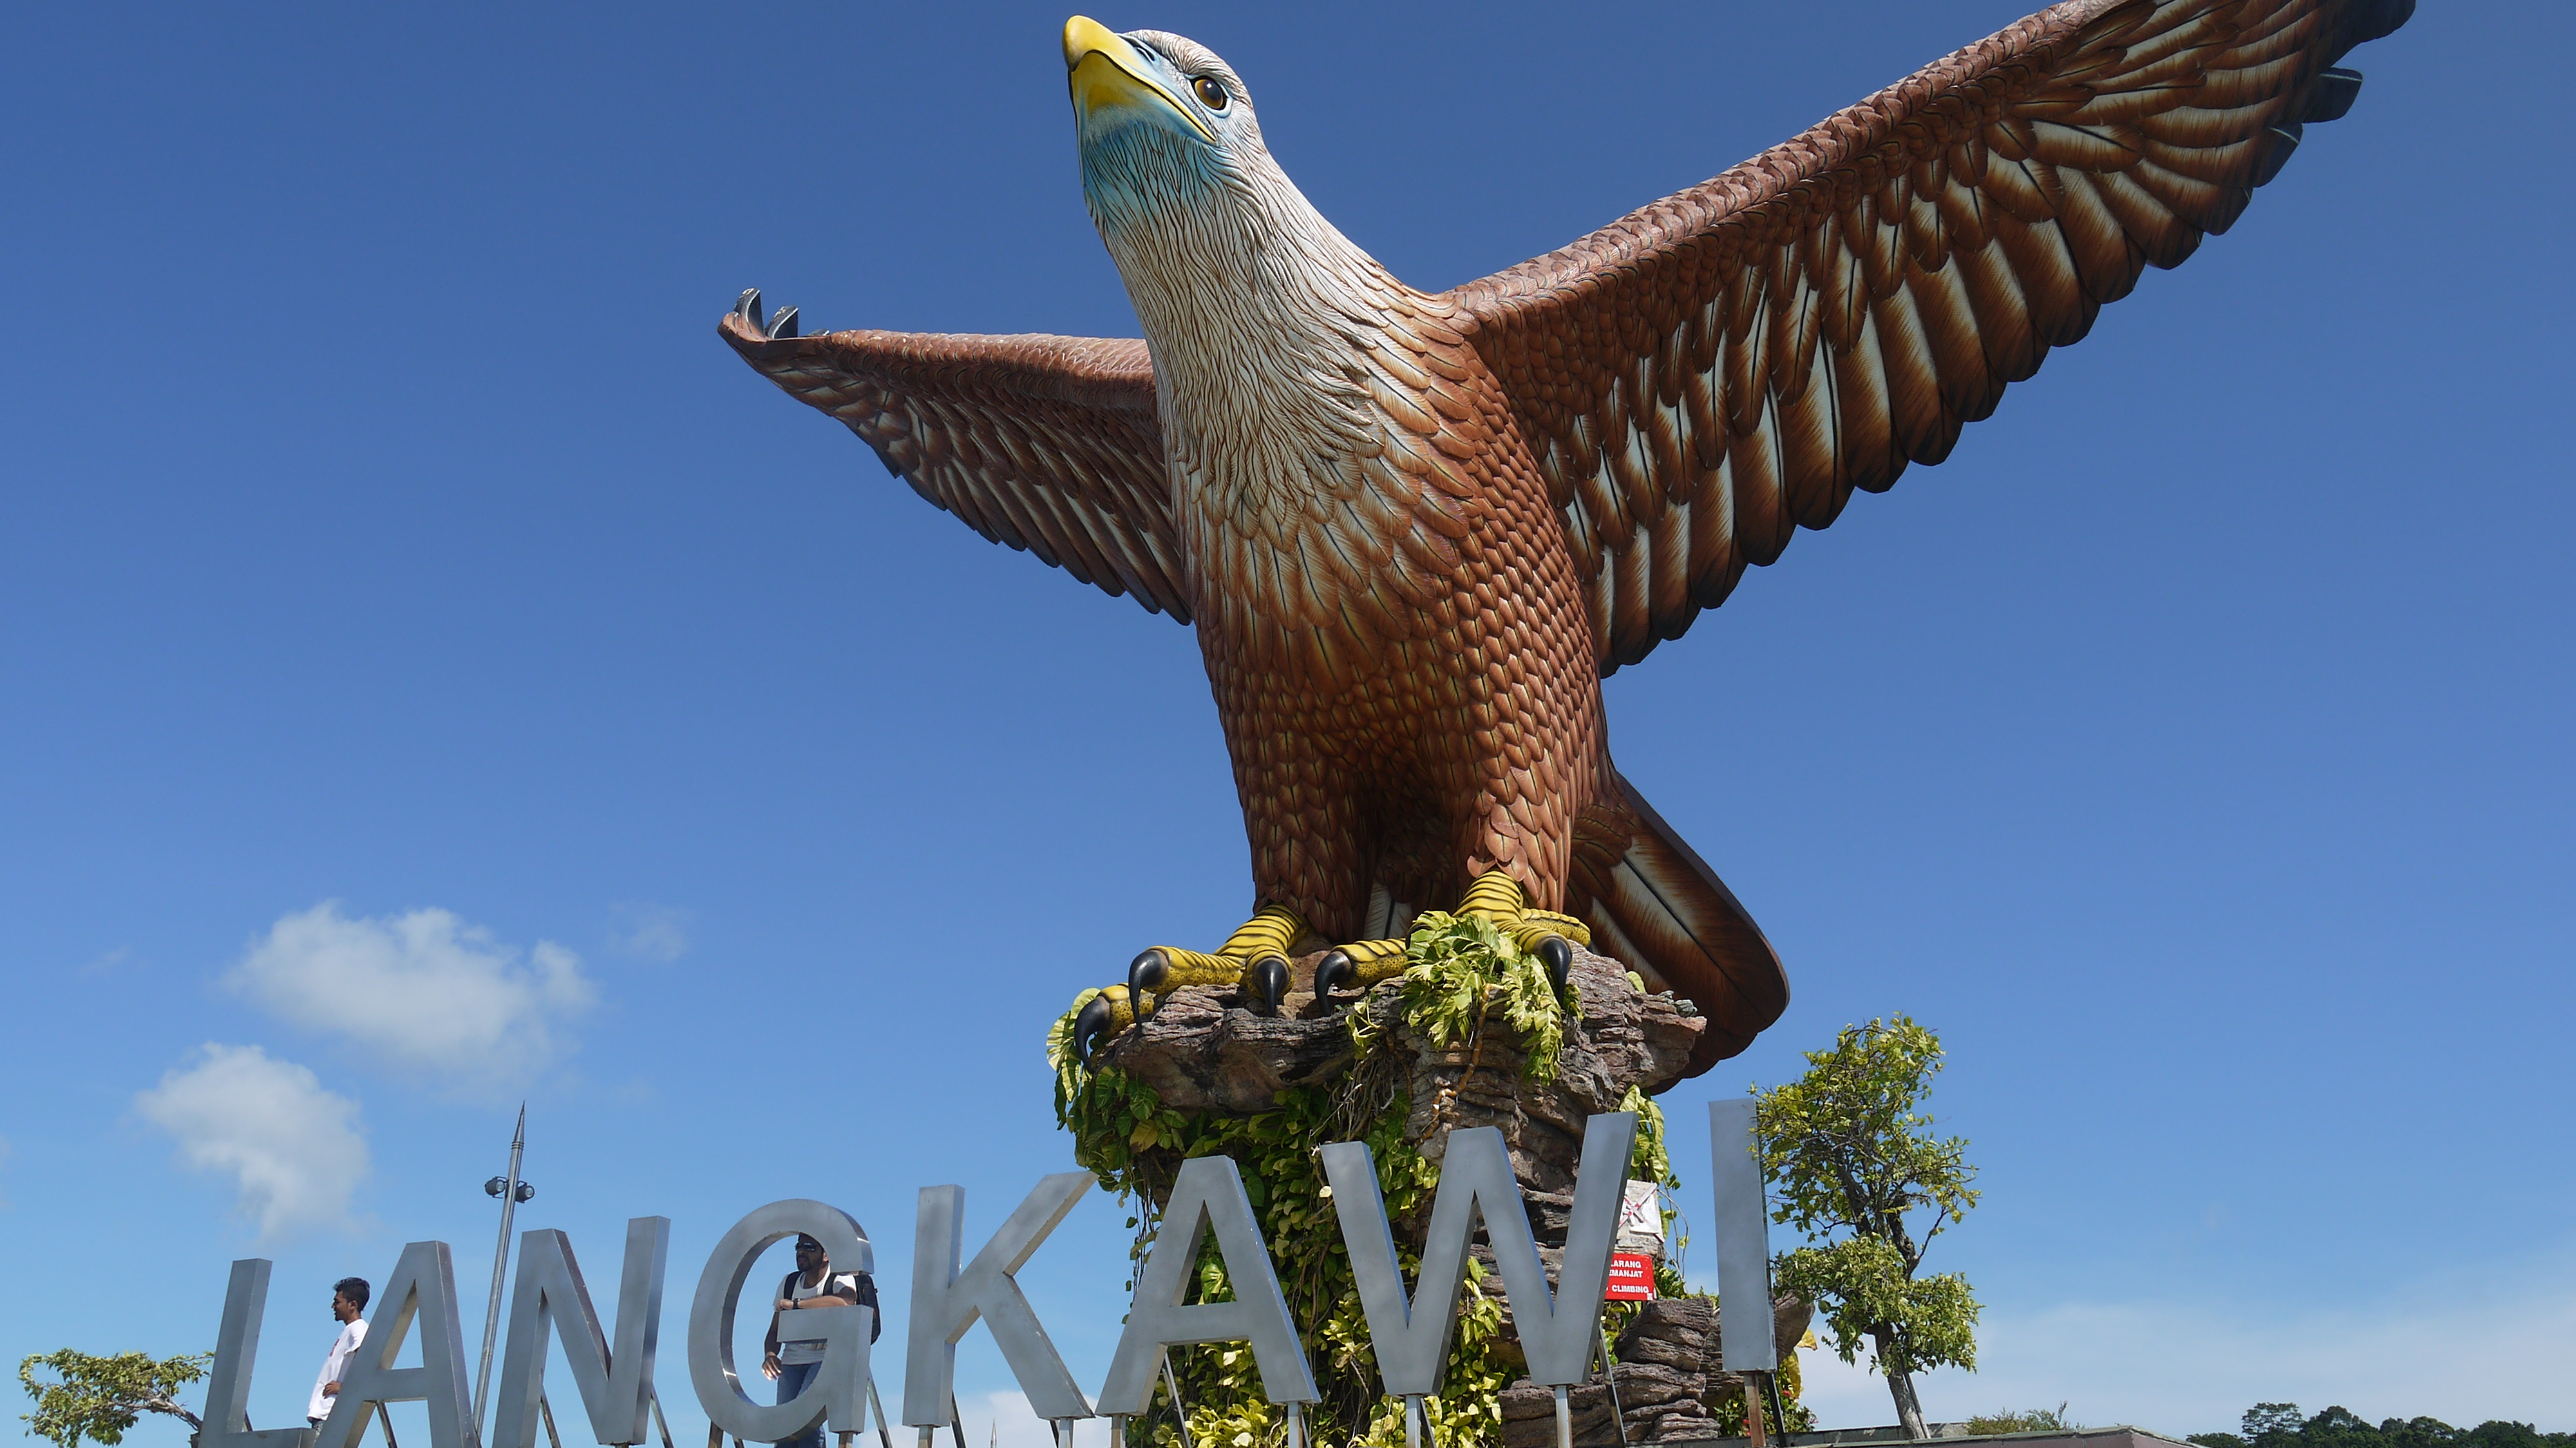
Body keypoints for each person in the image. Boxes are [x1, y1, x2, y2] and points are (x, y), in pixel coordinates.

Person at [760, 1235, 879, 1448]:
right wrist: (770, 1354)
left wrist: (797, 1304)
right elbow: (775, 1329)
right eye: (798, 1247)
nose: (801, 1252)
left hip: (824, 1360)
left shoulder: (839, 1278)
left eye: (809, 1248)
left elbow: (845, 1301)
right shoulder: (789, 1283)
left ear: (826, 1255)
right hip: (792, 1362)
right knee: (785, 1429)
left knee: (806, 1421)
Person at [308, 1277, 370, 1427]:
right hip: (326, 1412)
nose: (333, 1306)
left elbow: (369, 1358)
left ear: (352, 1305)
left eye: (337, 1302)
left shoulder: (358, 1328)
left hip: (331, 1413)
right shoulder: (350, 1330)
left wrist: (344, 1388)